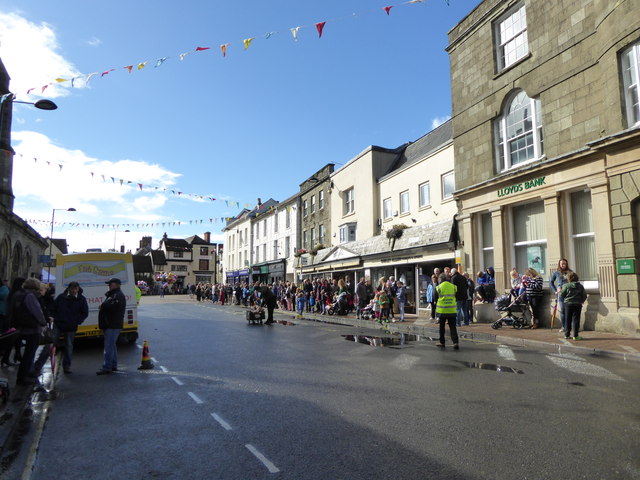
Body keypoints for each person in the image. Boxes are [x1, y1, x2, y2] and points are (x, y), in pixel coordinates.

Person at [11, 278, 47, 385]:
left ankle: (23, 376)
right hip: (31, 328)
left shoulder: (17, 294)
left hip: (19, 327)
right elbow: (37, 312)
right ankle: (24, 377)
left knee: (27, 354)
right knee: (29, 354)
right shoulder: (30, 296)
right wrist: (43, 323)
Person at [52, 281, 89, 373]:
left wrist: (77, 321)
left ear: (78, 289)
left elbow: (84, 312)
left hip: (71, 326)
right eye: (72, 289)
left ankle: (66, 366)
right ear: (69, 289)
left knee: (69, 346)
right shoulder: (61, 297)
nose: (74, 291)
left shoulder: (81, 299)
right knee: (52, 344)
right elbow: (53, 308)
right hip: (59, 324)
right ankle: (49, 364)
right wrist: (55, 318)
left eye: (76, 289)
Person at [97, 278, 126, 375]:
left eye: (110, 284)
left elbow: (114, 308)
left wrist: (103, 306)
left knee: (108, 346)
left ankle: (107, 367)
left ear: (117, 285)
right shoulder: (114, 294)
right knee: (112, 346)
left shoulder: (118, 295)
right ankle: (113, 365)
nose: (108, 285)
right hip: (111, 324)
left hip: (112, 325)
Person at [559, 272, 587, 340]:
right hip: (577, 304)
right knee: (576, 319)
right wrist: (582, 300)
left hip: (568, 304)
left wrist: (559, 291)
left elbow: (561, 295)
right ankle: (575, 335)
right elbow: (584, 295)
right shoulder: (580, 286)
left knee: (567, 319)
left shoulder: (566, 286)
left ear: (568, 278)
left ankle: (567, 334)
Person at [435, 273, 459, 349]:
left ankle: (442, 342)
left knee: (441, 327)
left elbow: (434, 297)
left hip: (442, 310)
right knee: (453, 327)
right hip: (452, 310)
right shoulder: (453, 286)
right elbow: (457, 296)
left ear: (440, 279)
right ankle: (455, 342)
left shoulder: (438, 287)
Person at [550, 259, 573, 334]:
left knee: (570, 310)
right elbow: (551, 282)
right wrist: (555, 290)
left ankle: (571, 326)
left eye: (564, 264)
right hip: (561, 294)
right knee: (563, 310)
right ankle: (564, 326)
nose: (563, 265)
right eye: (562, 264)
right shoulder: (556, 273)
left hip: (569, 294)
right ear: (559, 264)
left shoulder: (570, 271)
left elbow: (574, 280)